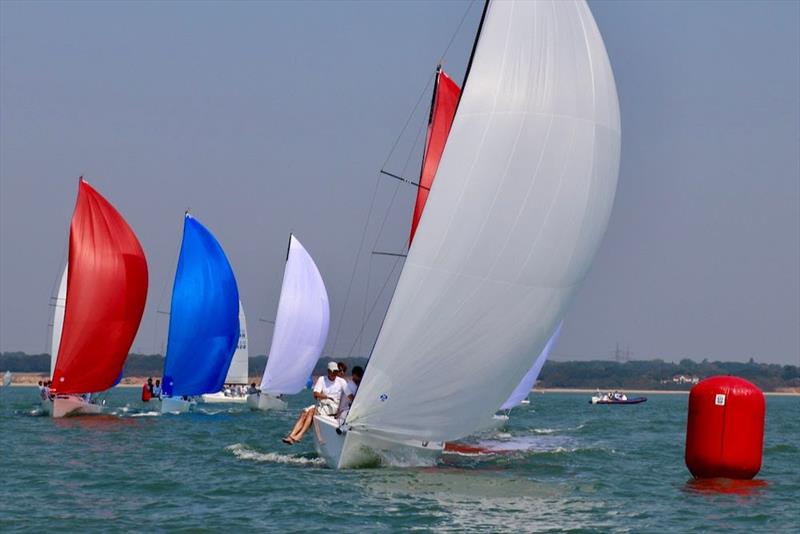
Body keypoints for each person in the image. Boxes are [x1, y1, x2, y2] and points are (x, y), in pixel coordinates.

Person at [282, 362, 347, 445]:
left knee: (312, 412)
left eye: (336, 372)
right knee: (304, 413)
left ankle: (299, 436)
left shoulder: (341, 382)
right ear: (328, 371)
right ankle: (292, 436)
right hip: (322, 403)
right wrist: (326, 396)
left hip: (332, 406)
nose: (335, 374)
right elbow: (315, 394)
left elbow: (348, 394)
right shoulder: (322, 379)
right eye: (333, 371)